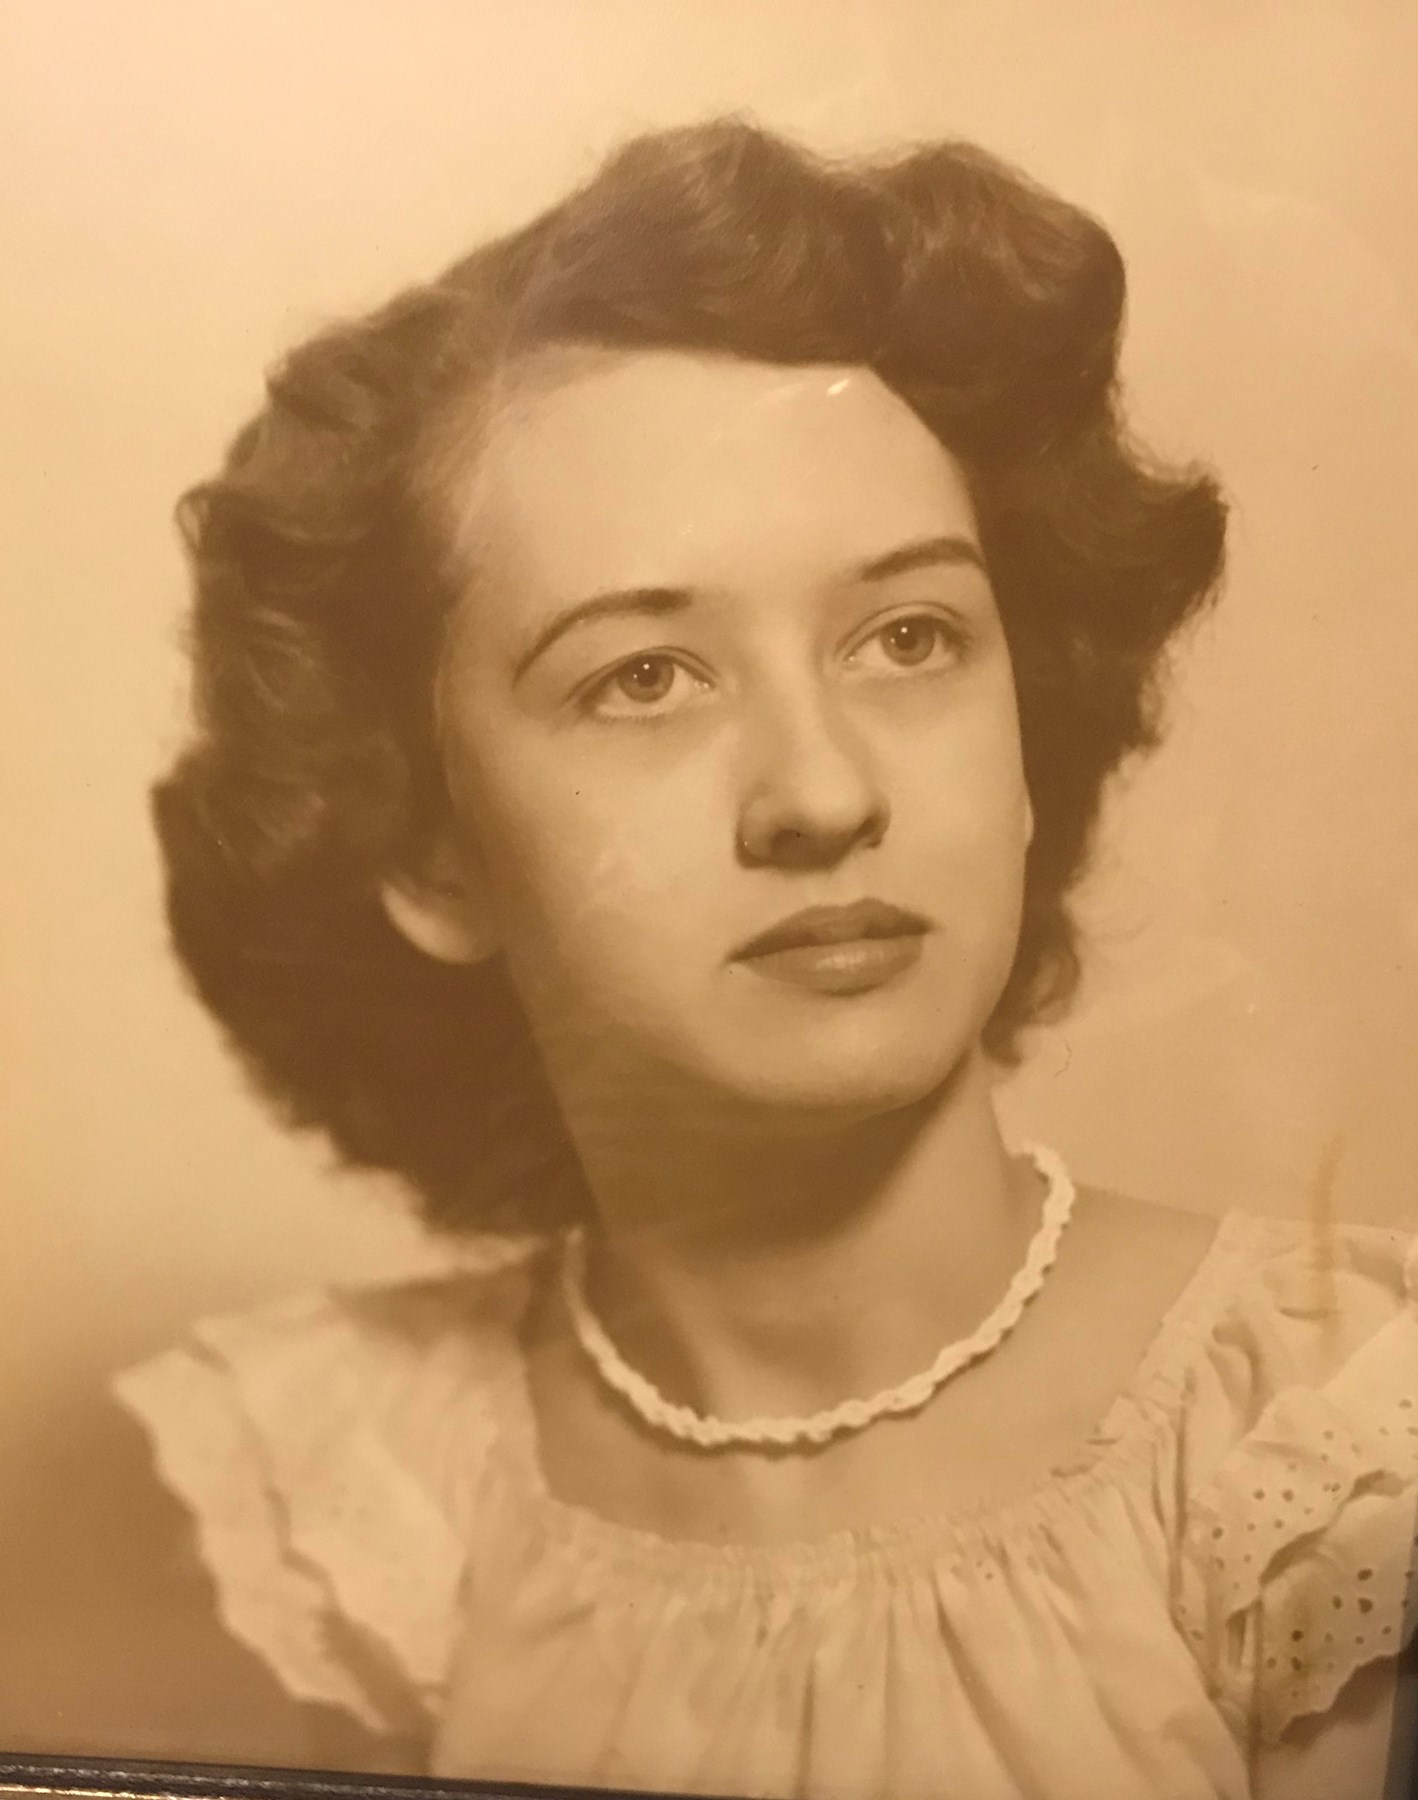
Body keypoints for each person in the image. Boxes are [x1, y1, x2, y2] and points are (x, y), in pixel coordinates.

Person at [112, 121, 1415, 1799]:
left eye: (909, 637)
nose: (822, 792)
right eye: (644, 678)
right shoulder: (354, 1512)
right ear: (430, 851)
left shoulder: (1330, 1443)